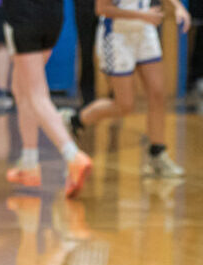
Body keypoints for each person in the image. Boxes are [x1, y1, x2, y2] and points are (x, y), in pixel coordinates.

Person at [63, 0, 190, 177]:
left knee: (158, 93)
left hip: (144, 31)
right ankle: (75, 120)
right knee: (125, 105)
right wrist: (142, 15)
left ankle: (157, 154)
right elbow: (102, 9)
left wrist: (179, 7)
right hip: (117, 35)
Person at [3, 0, 93, 196]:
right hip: (53, 15)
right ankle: (28, 163)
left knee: (35, 93)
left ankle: (73, 155)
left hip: (24, 14)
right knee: (21, 88)